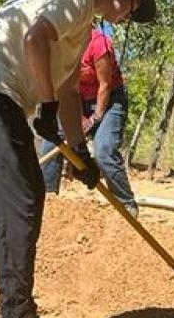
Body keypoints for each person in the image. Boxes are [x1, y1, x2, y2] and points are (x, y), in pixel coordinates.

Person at [0, 0, 156, 318]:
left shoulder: (81, 26)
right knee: (20, 198)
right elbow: (34, 39)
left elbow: (65, 92)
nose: (129, 14)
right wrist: (43, 102)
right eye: (132, 5)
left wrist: (79, 152)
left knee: (26, 192)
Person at [41, 26, 139, 216]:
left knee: (104, 150)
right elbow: (66, 90)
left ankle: (126, 204)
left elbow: (106, 85)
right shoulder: (62, 47)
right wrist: (78, 120)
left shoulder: (98, 42)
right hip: (78, 100)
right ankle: (48, 197)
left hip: (110, 100)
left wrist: (95, 118)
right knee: (51, 143)